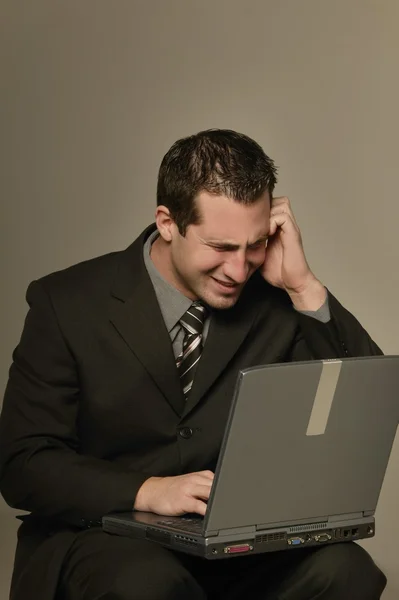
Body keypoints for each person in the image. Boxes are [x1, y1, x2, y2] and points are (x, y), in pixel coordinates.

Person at [0, 129, 386, 600]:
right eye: (221, 247)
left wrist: (304, 287)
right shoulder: (65, 302)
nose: (239, 269)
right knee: (144, 583)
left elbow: (371, 405)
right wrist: (147, 490)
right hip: (106, 541)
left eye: (256, 243)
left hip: (237, 552)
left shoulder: (278, 305)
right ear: (167, 222)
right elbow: (24, 464)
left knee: (348, 570)